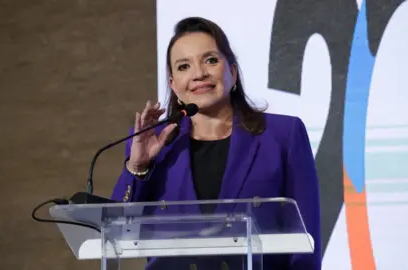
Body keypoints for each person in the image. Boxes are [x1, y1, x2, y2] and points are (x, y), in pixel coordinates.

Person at [111, 16, 321, 270]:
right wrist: (137, 166)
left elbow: (306, 239)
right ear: (173, 85)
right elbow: (116, 231)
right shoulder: (155, 142)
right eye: (183, 66)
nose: (199, 74)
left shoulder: (283, 134)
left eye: (210, 60)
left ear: (232, 72)